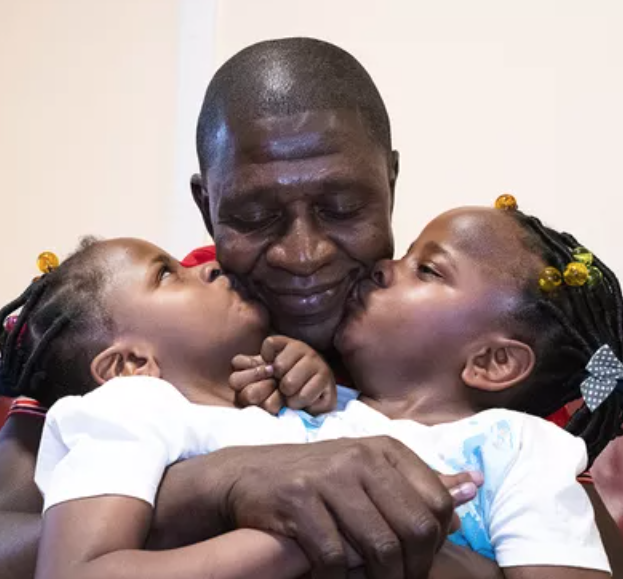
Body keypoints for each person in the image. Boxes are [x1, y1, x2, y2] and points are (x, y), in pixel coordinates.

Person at [0, 36, 618, 579]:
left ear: (391, 183)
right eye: (253, 216)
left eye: (343, 207)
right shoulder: (150, 327)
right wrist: (217, 484)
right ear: (206, 204)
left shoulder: (463, 335)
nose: (303, 254)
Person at [8, 200, 619, 579]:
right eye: (170, 273)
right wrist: (309, 537)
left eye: (424, 268)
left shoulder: (523, 449)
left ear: (491, 361)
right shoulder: (175, 410)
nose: (304, 248)